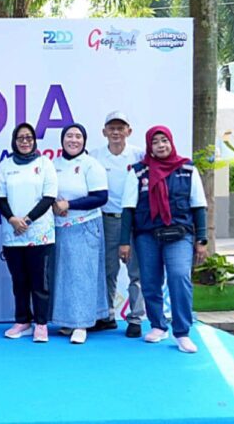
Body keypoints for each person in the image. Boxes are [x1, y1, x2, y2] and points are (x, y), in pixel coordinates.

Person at [119, 126, 208, 354]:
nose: (160, 145)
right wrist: (124, 242)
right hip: (147, 235)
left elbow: (198, 206)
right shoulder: (138, 172)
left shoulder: (187, 169)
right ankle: (158, 325)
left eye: (164, 140)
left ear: (171, 142)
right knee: (149, 281)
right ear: (149, 146)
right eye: (155, 142)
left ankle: (182, 332)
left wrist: (202, 239)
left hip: (180, 234)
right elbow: (128, 209)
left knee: (179, 276)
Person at [0, 123, 57, 342]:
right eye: (20, 138)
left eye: (29, 138)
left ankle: (41, 323)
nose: (24, 141)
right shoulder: (5, 165)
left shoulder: (45, 163)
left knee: (39, 281)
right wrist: (13, 219)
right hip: (13, 233)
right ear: (14, 141)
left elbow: (49, 197)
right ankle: (23, 320)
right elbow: (0, 198)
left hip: (39, 233)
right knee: (19, 280)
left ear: (34, 141)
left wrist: (28, 219)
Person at [51, 123, 109, 344]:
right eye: (69, 136)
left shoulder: (90, 164)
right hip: (59, 227)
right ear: (62, 139)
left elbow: (100, 197)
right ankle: (68, 320)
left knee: (82, 276)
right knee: (64, 276)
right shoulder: (53, 164)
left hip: (85, 225)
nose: (73, 140)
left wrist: (69, 204)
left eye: (78, 136)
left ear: (84, 140)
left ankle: (82, 324)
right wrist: (56, 205)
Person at [89, 111, 146, 338]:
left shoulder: (139, 155)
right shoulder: (94, 156)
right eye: (111, 128)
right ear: (104, 132)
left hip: (134, 220)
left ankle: (135, 317)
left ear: (128, 132)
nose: (116, 132)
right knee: (108, 271)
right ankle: (108, 315)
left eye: (120, 128)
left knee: (136, 272)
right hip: (107, 219)